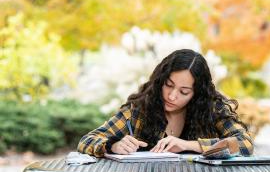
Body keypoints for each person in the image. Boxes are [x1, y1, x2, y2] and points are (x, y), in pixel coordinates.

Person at [77, 49, 254, 157]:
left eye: (184, 92)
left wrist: (189, 145)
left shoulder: (212, 108)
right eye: (168, 85)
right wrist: (113, 145)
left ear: (197, 93)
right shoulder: (139, 111)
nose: (172, 96)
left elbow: (245, 144)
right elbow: (87, 141)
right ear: (160, 80)